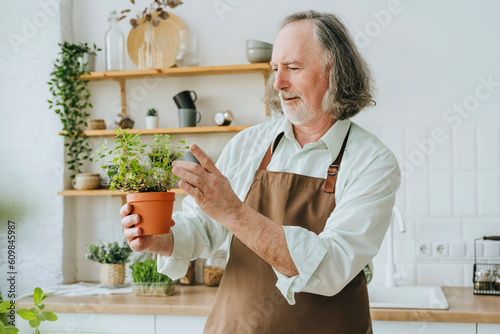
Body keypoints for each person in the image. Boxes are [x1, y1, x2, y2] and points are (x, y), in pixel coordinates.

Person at [121, 10, 400, 334]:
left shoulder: (372, 162)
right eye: (274, 69)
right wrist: (162, 239)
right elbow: (203, 229)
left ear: (333, 70)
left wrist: (234, 211)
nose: (279, 84)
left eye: (293, 68)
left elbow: (331, 265)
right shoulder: (248, 144)